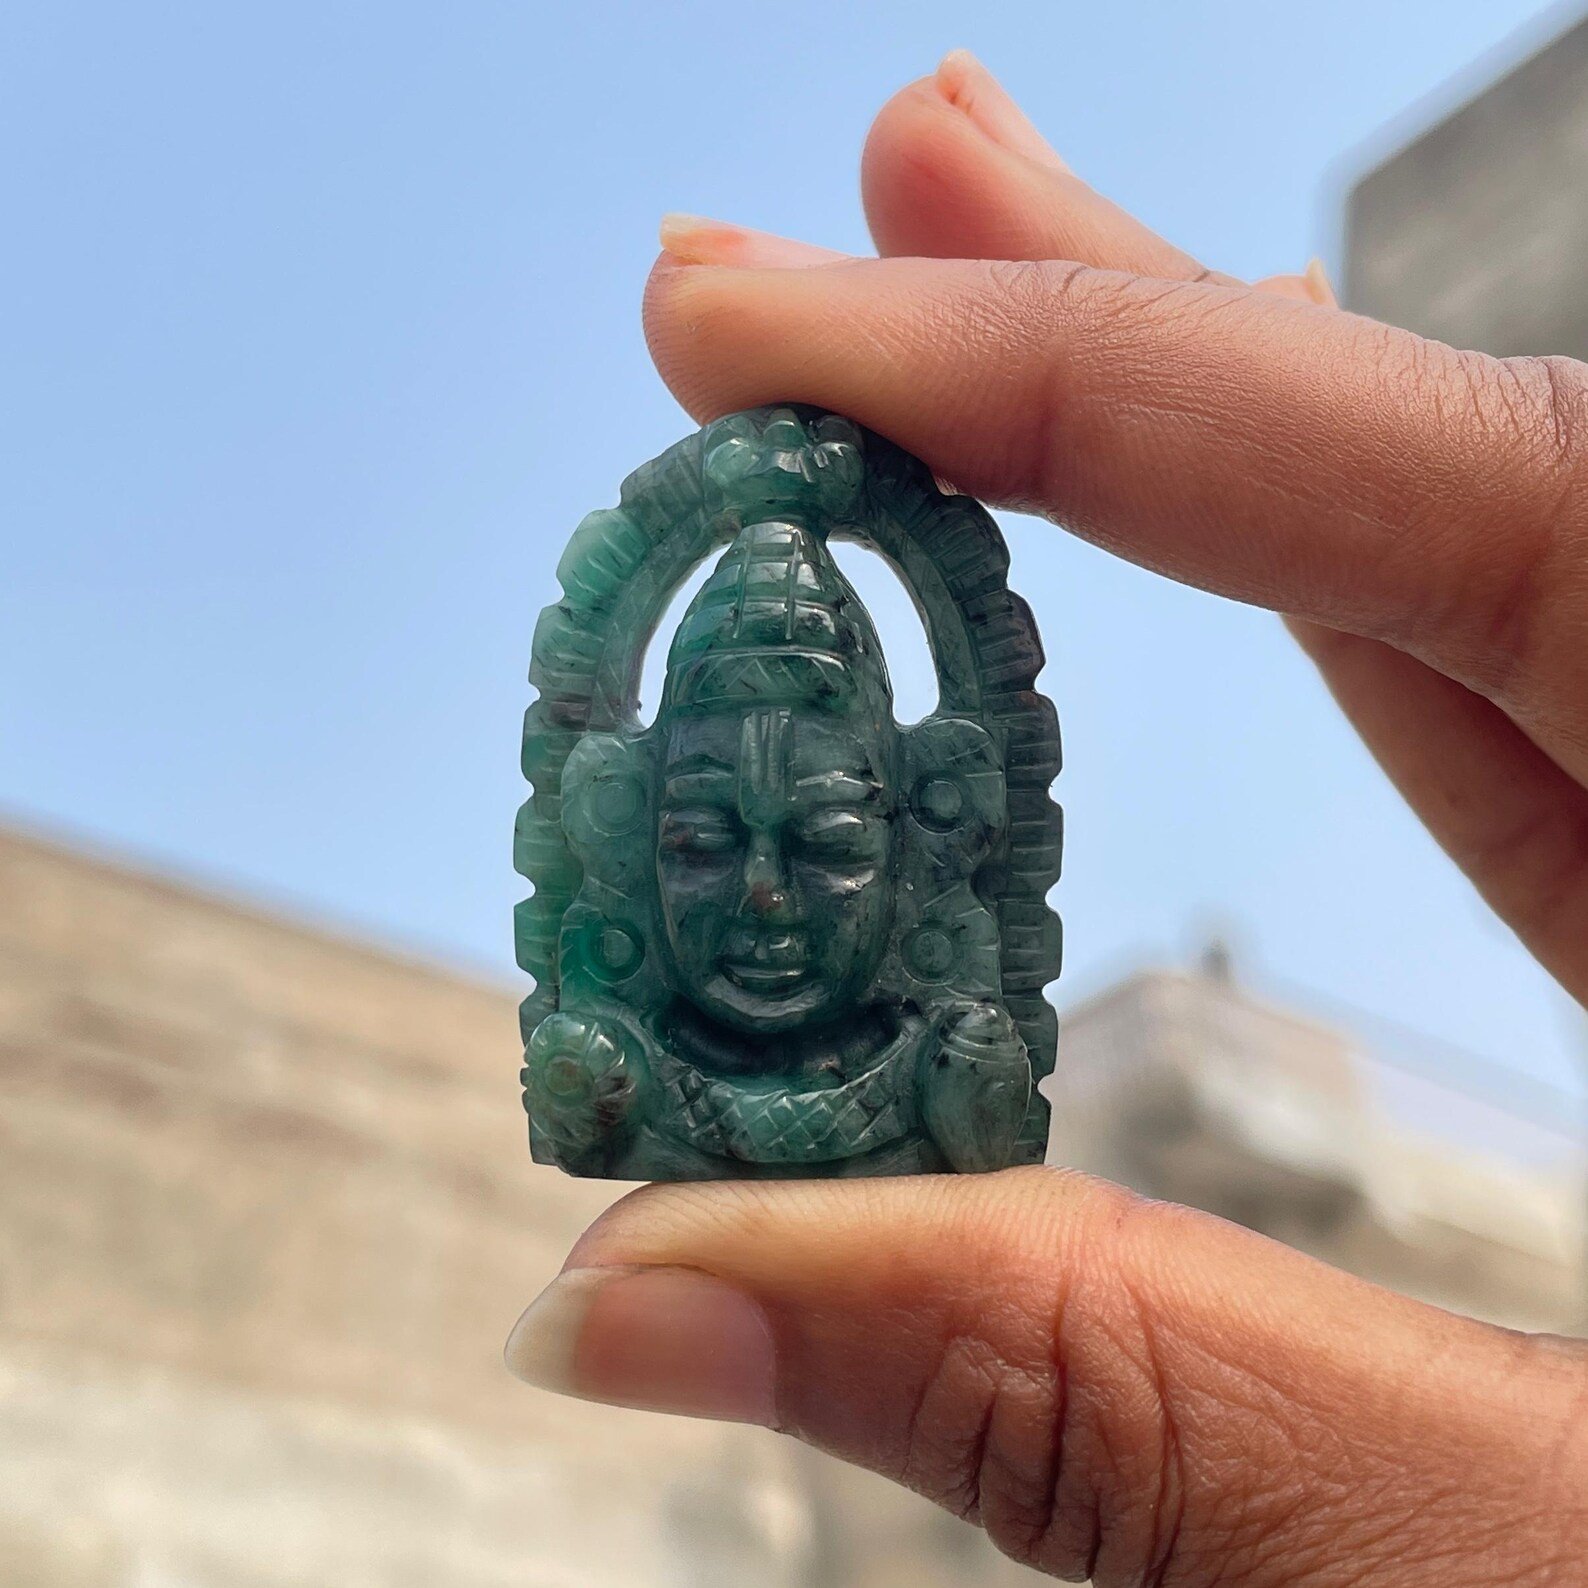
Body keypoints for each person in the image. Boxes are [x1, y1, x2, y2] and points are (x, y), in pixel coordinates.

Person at [507, 52, 1588, 1585]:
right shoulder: (617, 1070)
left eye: (827, 844)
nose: (762, 902)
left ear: (926, 829)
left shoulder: (947, 1068)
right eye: (698, 844)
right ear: (624, 836)